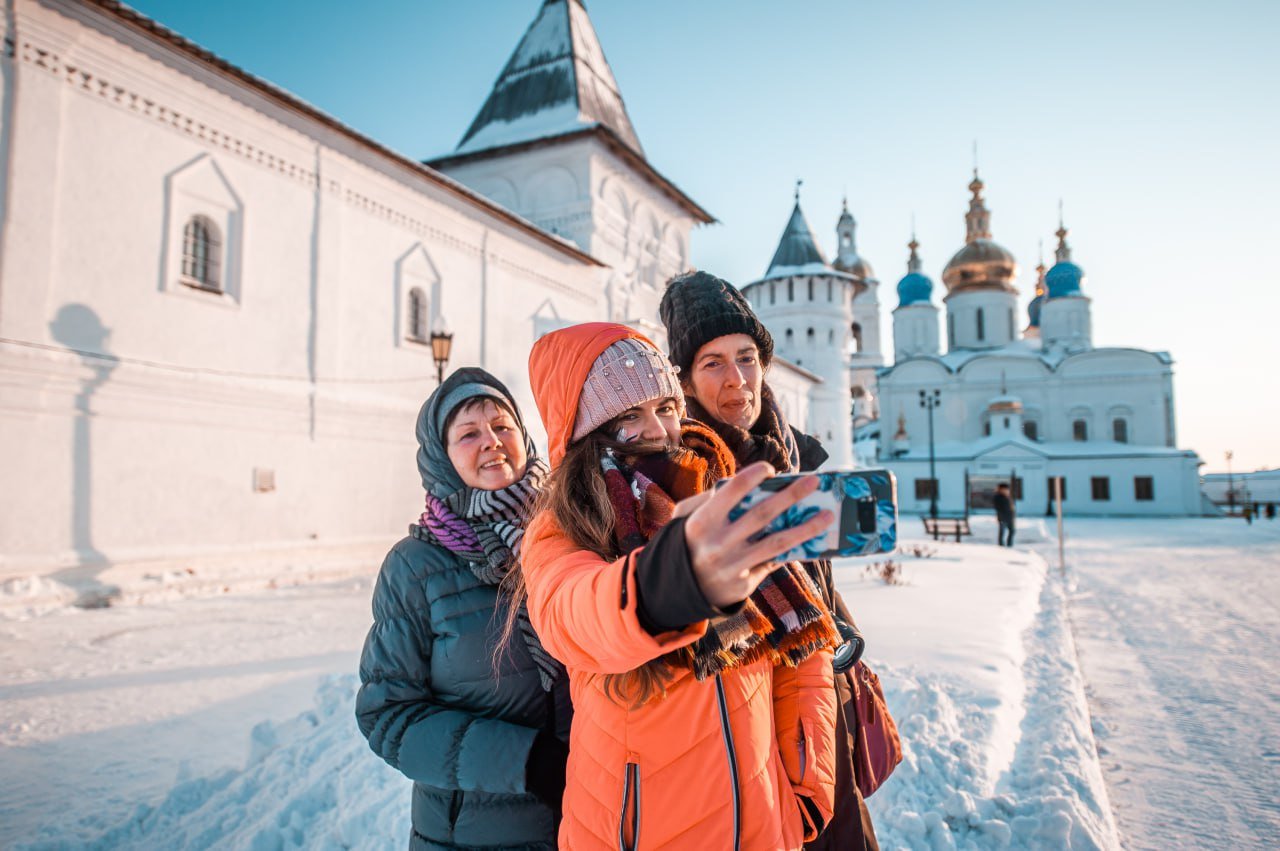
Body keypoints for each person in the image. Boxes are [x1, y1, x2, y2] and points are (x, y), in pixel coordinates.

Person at [522, 322, 841, 850]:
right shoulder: (563, 525)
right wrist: (674, 580)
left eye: (666, 407)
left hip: (765, 824)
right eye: (629, 414)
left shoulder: (718, 488)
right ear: (587, 432)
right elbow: (573, 614)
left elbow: (798, 659)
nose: (658, 429)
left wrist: (807, 785)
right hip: (638, 830)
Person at [660, 270, 881, 851]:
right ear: (683, 380)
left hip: (822, 716)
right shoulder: (674, 480)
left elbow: (818, 591)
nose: (737, 380)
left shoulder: (796, 460)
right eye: (712, 364)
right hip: (743, 737)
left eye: (746, 357)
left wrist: (843, 638)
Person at [356, 368, 570, 851]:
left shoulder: (571, 537)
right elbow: (388, 716)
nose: (491, 442)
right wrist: (525, 760)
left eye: (502, 426)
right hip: (471, 835)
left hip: (590, 820)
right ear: (442, 457)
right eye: (469, 433)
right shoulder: (415, 567)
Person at [993, 482, 1016, 547]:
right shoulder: (998, 497)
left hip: (1010, 517)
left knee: (1012, 531)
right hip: (1002, 517)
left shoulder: (1007, 496)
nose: (1007, 490)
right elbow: (998, 507)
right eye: (1005, 489)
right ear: (1001, 489)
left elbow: (1011, 506)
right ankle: (1001, 545)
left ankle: (1009, 544)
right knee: (1002, 532)